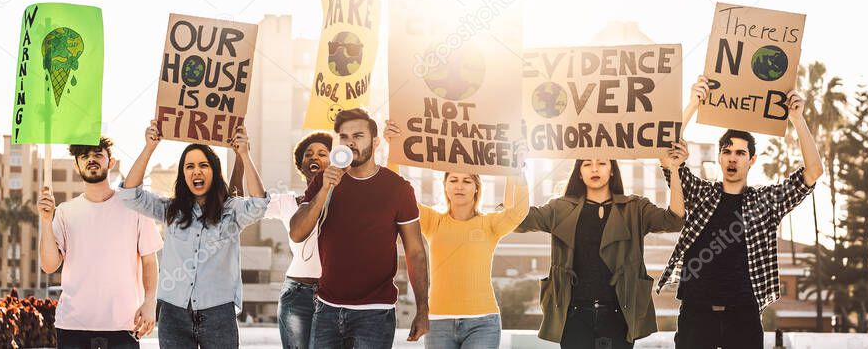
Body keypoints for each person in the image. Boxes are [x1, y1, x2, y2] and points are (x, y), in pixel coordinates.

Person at [659, 75, 823, 349]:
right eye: (727, 151)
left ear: (752, 159)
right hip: (696, 315)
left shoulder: (765, 202)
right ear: (720, 157)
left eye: (740, 152)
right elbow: (667, 156)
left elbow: (813, 172)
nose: (733, 157)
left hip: (743, 316)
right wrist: (692, 105)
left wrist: (796, 119)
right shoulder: (701, 194)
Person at [516, 143, 688, 348]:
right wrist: (517, 169)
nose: (595, 168)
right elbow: (518, 219)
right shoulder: (560, 208)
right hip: (574, 315)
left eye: (602, 163)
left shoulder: (634, 208)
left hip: (619, 315)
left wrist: (674, 169)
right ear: (579, 173)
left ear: (612, 170)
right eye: (587, 164)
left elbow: (675, 219)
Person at [119, 121, 270, 348]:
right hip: (174, 314)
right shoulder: (170, 210)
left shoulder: (231, 211)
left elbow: (259, 204)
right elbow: (130, 195)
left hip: (218, 313)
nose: (196, 171)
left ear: (214, 171)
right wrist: (149, 148)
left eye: (203, 165)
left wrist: (244, 155)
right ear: (183, 174)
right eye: (189, 166)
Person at [289, 108, 430, 348]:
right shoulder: (323, 179)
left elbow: (415, 251)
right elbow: (297, 232)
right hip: (326, 310)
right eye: (344, 137)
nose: (350, 143)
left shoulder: (399, 188)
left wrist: (423, 309)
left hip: (375, 314)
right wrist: (325, 189)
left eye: (358, 136)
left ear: (375, 142)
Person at [384, 121, 529, 349]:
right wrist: (393, 150)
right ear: (446, 187)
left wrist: (517, 167)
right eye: (453, 180)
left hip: (483, 321)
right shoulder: (434, 222)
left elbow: (519, 210)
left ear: (476, 188)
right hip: (439, 322)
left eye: (466, 181)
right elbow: (397, 194)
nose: (459, 186)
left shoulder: (490, 224)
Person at [37, 137, 163, 349]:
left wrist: (150, 303)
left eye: (97, 154)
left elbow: (150, 261)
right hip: (73, 328)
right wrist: (46, 221)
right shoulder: (65, 212)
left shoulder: (134, 207)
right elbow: (49, 265)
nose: (91, 160)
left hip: (124, 326)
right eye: (84, 156)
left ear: (110, 162)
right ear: (77, 166)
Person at [229, 132, 332, 349]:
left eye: (323, 153)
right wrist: (243, 157)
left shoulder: (346, 200)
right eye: (308, 155)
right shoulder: (287, 202)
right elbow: (240, 204)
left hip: (335, 294)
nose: (315, 157)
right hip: (297, 295)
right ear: (301, 165)